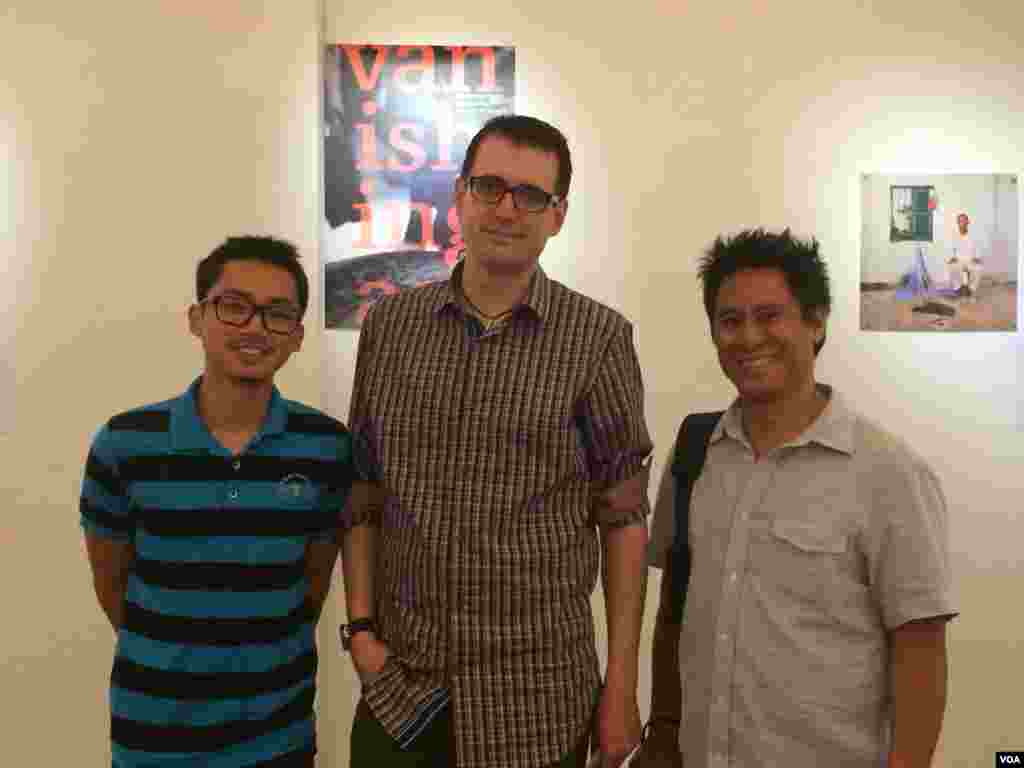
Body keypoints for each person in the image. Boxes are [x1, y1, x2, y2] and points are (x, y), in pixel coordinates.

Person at [341, 115, 652, 768]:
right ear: (460, 196)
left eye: (531, 195)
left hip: (537, 704)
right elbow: (363, 489)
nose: (507, 208)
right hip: (403, 697)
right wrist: (362, 631)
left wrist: (621, 684)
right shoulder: (391, 329)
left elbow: (622, 521)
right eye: (490, 187)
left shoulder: (598, 340)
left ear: (557, 214)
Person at [638, 229, 956, 768]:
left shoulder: (887, 473)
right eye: (730, 320)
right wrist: (663, 734)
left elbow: (920, 652)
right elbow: (675, 613)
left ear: (815, 321)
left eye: (770, 316)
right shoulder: (695, 452)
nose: (748, 337)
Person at [80, 235, 355, 767]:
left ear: (296, 336)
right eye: (234, 307)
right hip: (152, 738)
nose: (254, 327)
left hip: (278, 738)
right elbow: (114, 587)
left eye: (277, 314)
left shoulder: (326, 448)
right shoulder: (124, 444)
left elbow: (309, 590)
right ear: (197, 318)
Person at [944, 212, 983, 296]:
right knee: (952, 265)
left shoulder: (974, 234)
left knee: (978, 267)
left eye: (964, 221)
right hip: (959, 259)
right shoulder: (954, 234)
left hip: (970, 259)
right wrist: (952, 257)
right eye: (960, 221)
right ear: (958, 223)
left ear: (968, 222)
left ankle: (971, 289)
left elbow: (977, 247)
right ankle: (957, 288)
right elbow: (950, 248)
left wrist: (977, 257)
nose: (962, 223)